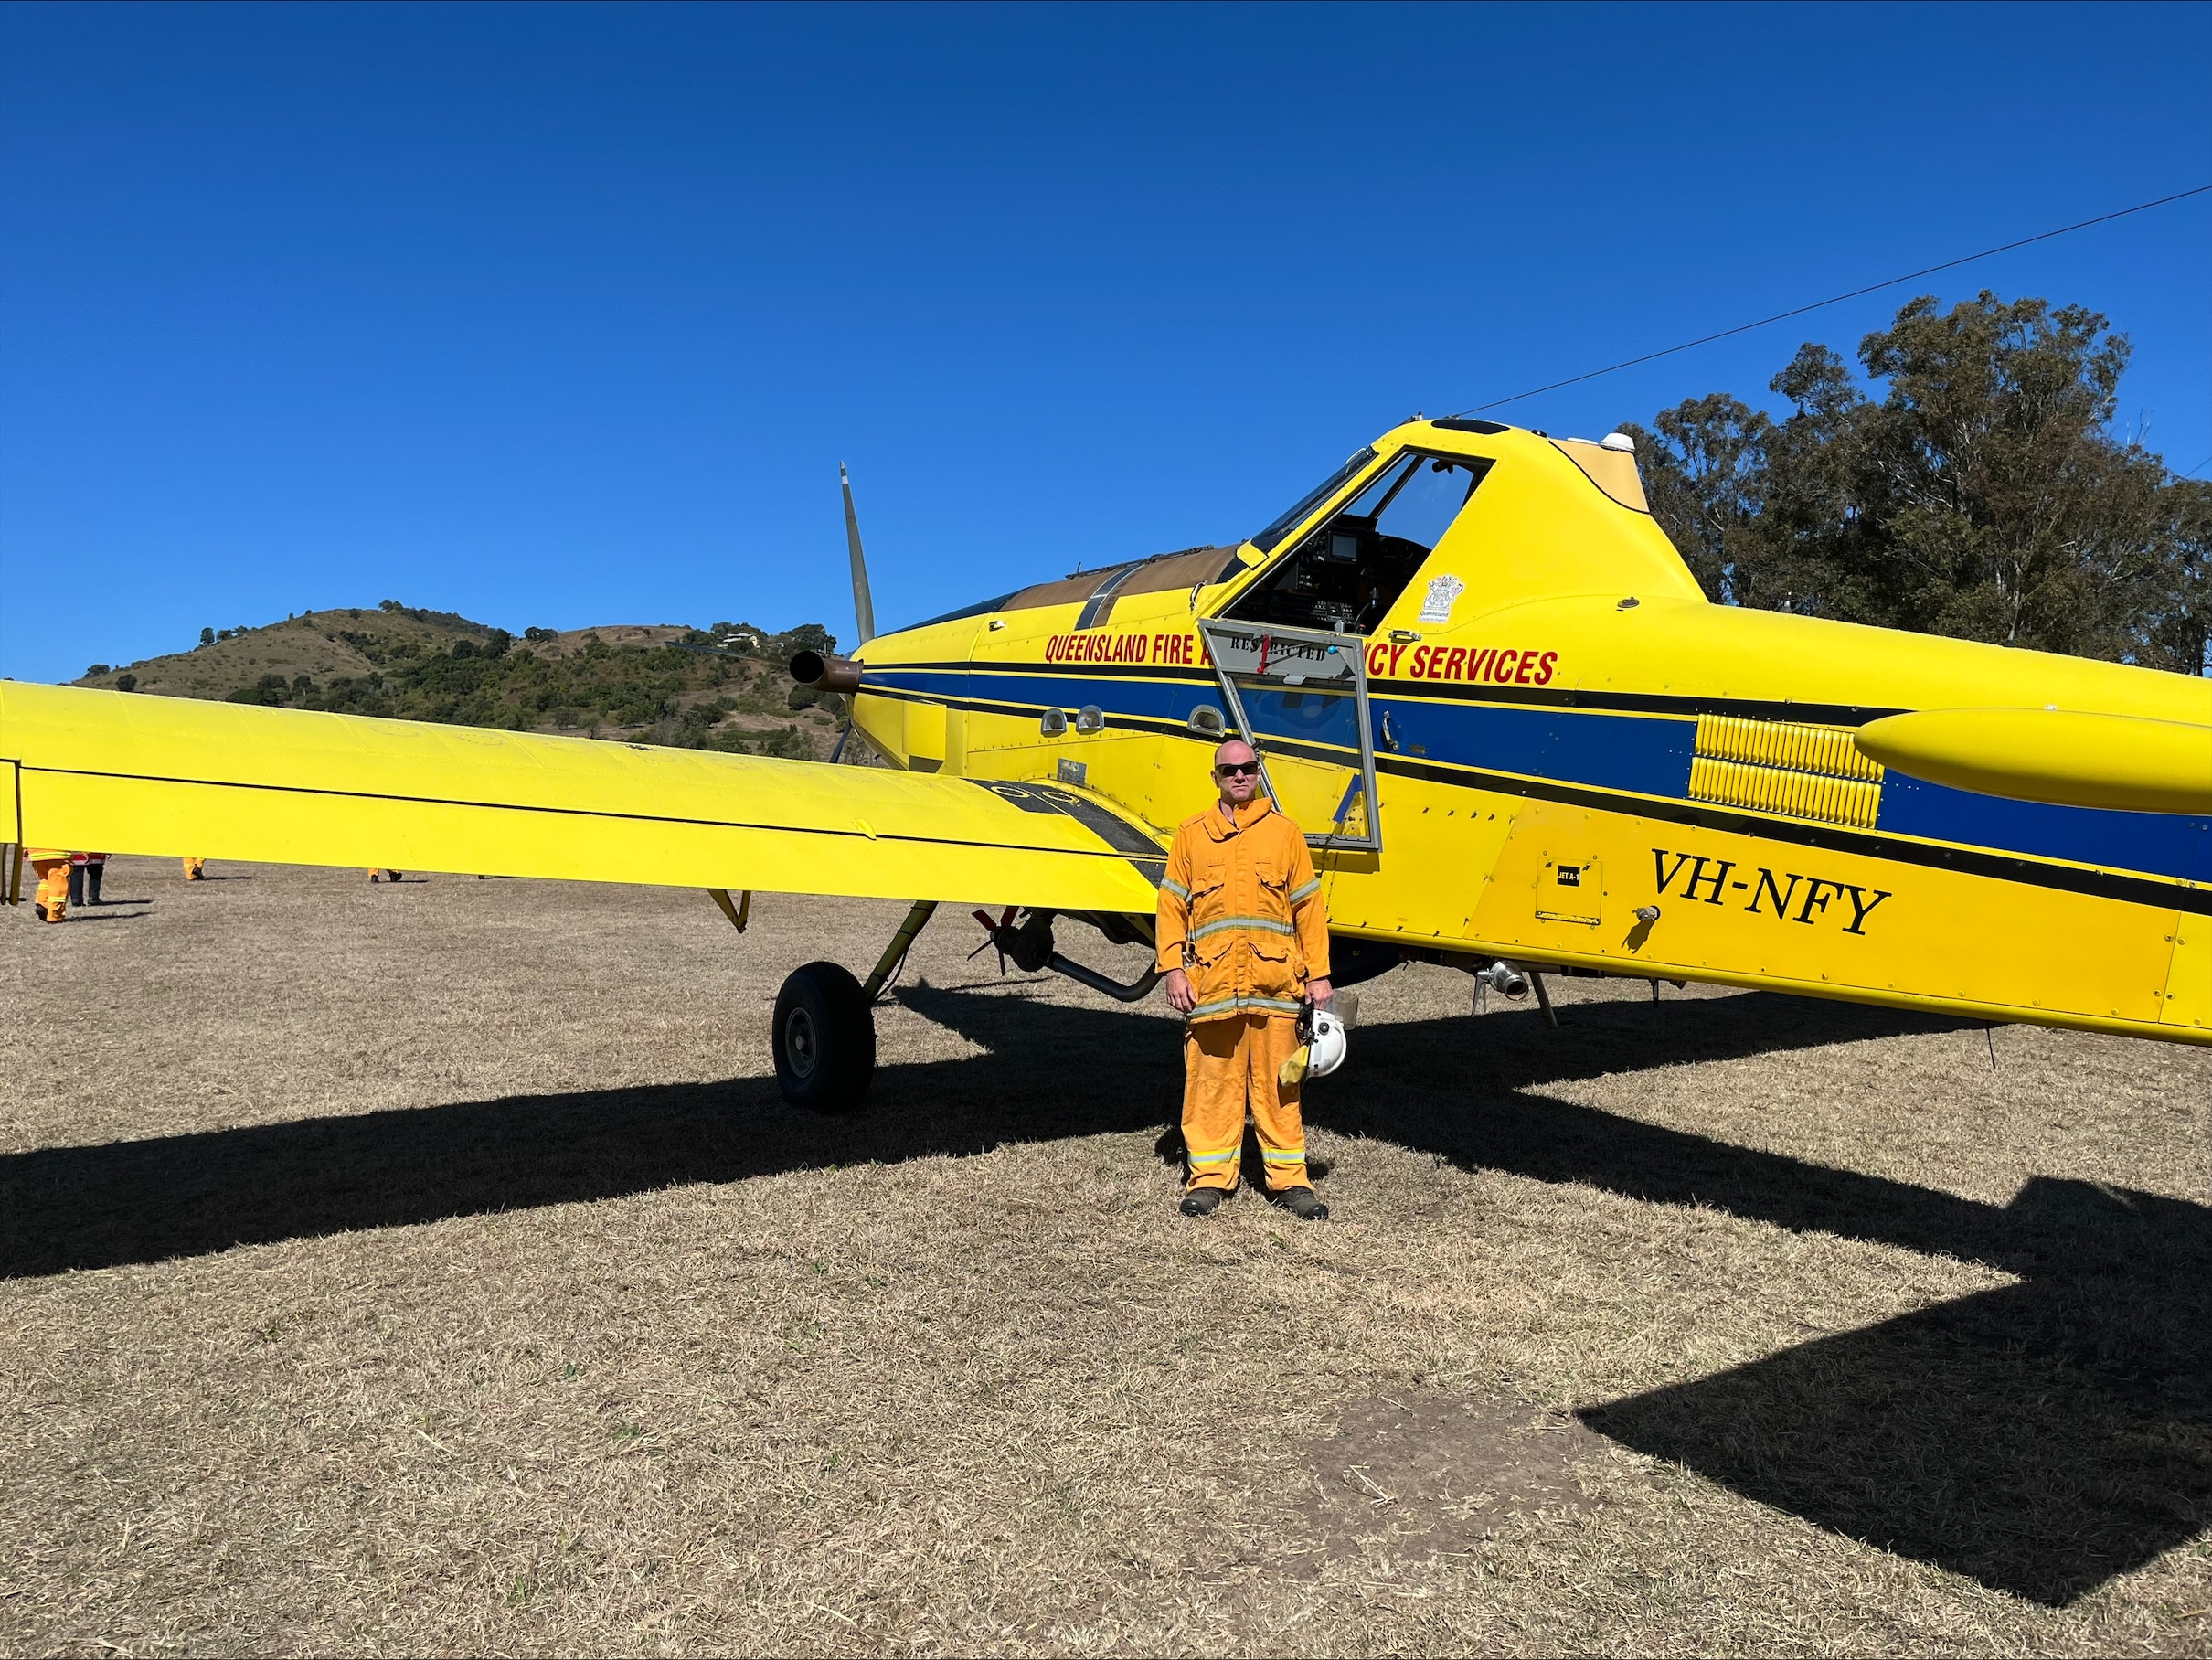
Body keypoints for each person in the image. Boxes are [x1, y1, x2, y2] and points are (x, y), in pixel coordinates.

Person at [1155, 738, 1334, 1221]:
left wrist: (1319, 974)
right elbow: (1171, 905)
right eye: (1229, 769)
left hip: (1276, 986)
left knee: (1281, 1086)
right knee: (1211, 1084)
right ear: (1215, 776)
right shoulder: (1191, 834)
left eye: (1248, 768)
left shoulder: (1285, 833)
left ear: (1257, 772)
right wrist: (1173, 968)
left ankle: (1290, 1181)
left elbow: (1308, 908)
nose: (1239, 776)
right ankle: (1209, 1180)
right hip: (1211, 987)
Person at [27, 846, 70, 922]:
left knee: (45, 879)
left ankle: (43, 903)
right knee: (58, 881)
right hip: (57, 851)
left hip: (35, 851)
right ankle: (55, 915)